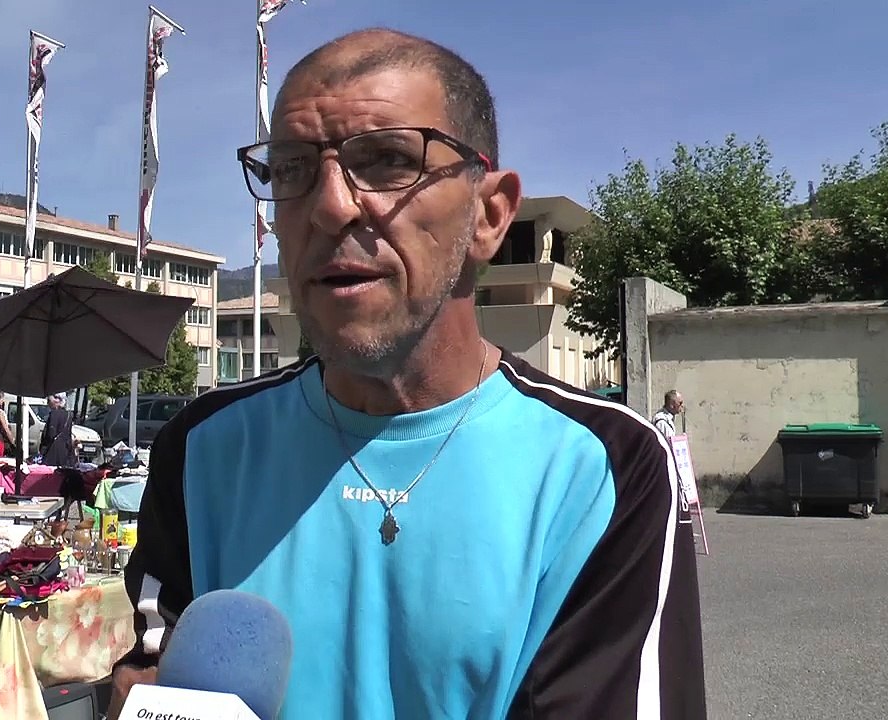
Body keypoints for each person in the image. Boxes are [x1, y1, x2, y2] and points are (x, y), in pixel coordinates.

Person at [109, 28, 705, 720]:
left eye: (389, 158)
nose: (330, 206)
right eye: (293, 169)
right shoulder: (201, 448)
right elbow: (155, 672)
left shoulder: (607, 465)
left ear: (489, 215)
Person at [40, 392, 77, 467]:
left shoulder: (54, 414)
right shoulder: (68, 415)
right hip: (64, 451)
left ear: (57, 400)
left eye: (49, 400)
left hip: (52, 451)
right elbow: (68, 436)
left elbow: (50, 434)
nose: (48, 402)